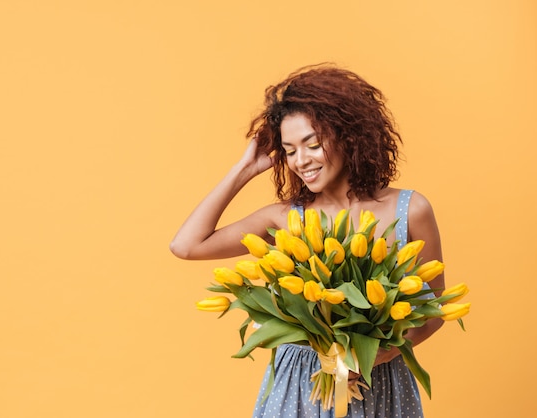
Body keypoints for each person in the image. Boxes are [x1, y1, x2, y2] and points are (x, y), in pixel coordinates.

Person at [170, 63, 445, 418]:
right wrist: (244, 170)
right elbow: (186, 245)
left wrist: (379, 354)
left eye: (312, 145)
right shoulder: (284, 218)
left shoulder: (410, 209)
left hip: (380, 382)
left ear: (349, 136)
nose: (301, 161)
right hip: (301, 384)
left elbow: (434, 309)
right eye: (289, 150)